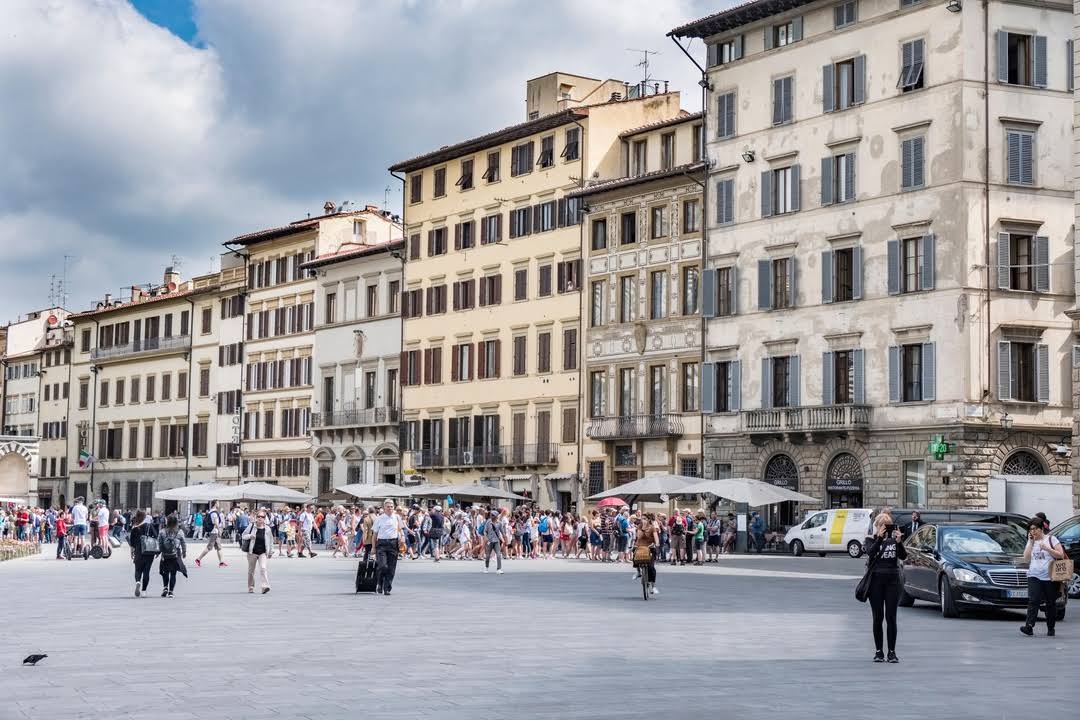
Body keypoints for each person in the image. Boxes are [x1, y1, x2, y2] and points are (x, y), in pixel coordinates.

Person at [863, 513, 906, 663]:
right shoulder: (870, 539)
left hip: (892, 582)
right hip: (875, 582)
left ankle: (892, 652)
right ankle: (879, 651)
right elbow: (870, 553)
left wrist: (899, 541)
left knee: (891, 617)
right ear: (876, 526)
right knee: (878, 617)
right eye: (881, 525)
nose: (884, 529)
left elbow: (903, 556)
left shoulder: (894, 541)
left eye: (887, 526)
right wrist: (879, 538)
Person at [1021, 517, 1065, 637]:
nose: (1032, 532)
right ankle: (1029, 626)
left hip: (1049, 577)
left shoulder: (1051, 539)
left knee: (1050, 603)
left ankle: (1051, 628)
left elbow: (1060, 554)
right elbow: (1026, 558)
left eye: (1035, 529)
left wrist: (1047, 548)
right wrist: (1030, 542)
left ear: (1041, 529)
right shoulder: (1031, 541)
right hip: (1034, 575)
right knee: (1033, 600)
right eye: (1030, 530)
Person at [372, 500, 403, 595]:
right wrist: (373, 547)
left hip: (393, 544)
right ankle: (380, 583)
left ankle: (387, 588)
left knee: (391, 568)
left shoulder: (397, 517)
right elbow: (374, 534)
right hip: (381, 544)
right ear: (384, 508)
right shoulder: (379, 518)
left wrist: (402, 538)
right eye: (388, 507)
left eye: (391, 506)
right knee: (382, 566)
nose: (390, 508)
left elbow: (400, 530)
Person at [242, 510, 273, 594]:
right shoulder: (251, 526)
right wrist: (250, 536)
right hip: (252, 552)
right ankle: (251, 586)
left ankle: (265, 586)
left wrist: (270, 552)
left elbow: (271, 541)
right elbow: (243, 536)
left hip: (262, 552)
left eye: (262, 517)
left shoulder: (267, 529)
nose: (260, 518)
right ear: (256, 517)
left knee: (263, 568)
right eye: (258, 516)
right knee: (251, 570)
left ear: (264, 518)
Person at [128, 511, 157, 598]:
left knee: (138, 570)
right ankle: (144, 591)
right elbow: (156, 536)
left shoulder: (134, 528)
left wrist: (131, 553)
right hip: (149, 551)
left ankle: (138, 582)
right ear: (145, 517)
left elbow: (132, 544)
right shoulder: (149, 526)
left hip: (138, 551)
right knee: (146, 571)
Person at [157, 515, 187, 597]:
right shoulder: (179, 532)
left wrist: (160, 552)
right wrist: (184, 552)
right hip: (175, 555)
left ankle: (165, 587)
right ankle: (171, 592)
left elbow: (159, 544)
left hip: (165, 555)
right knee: (173, 574)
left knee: (165, 572)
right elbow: (183, 543)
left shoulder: (162, 531)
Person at [195, 501, 227, 568]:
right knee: (209, 547)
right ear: (215, 504)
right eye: (218, 503)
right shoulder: (214, 513)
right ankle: (198, 559)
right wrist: (219, 531)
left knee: (219, 548)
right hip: (214, 532)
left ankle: (221, 562)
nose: (219, 504)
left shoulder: (211, 512)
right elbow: (216, 523)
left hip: (214, 532)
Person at [634, 514, 659, 596]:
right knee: (634, 553)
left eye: (644, 519)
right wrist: (642, 528)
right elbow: (639, 536)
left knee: (651, 567)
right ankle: (638, 571)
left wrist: (656, 544)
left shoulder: (652, 527)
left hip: (650, 547)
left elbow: (656, 539)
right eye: (642, 519)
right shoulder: (639, 526)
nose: (643, 520)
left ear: (648, 519)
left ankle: (653, 586)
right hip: (640, 546)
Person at [483, 509, 506, 574]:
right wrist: (485, 537)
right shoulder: (488, 522)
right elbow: (485, 531)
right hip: (489, 541)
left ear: (496, 516)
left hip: (496, 541)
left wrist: (505, 539)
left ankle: (499, 569)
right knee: (487, 556)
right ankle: (486, 567)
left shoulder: (499, 523)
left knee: (498, 555)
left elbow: (502, 532)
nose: (491, 516)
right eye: (491, 515)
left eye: (493, 515)